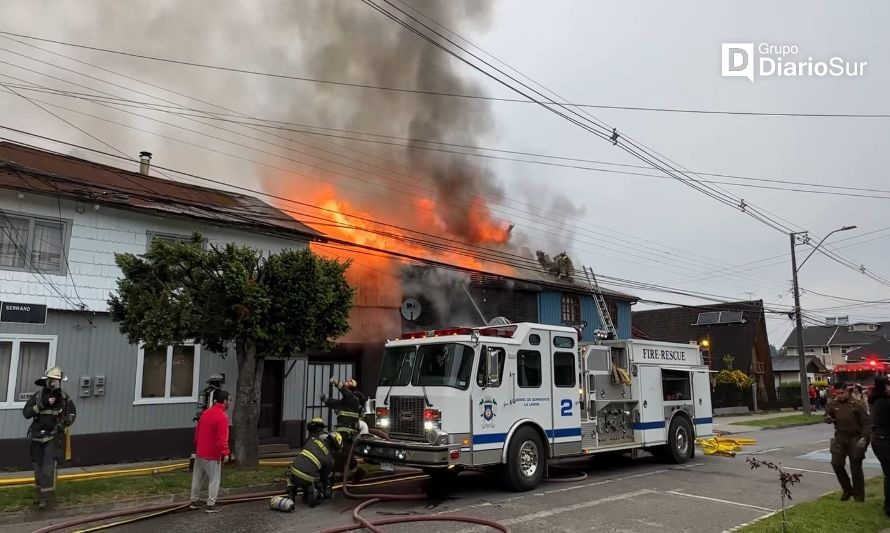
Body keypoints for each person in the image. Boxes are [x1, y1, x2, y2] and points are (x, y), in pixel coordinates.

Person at [22, 367, 76, 510]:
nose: (53, 383)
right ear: (46, 381)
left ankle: (46, 499)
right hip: (36, 437)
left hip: (52, 437)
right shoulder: (37, 396)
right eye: (51, 381)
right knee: (38, 470)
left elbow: (72, 413)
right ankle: (40, 497)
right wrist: (41, 405)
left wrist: (65, 422)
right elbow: (26, 413)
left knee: (47, 469)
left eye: (56, 381)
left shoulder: (64, 398)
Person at [824, 381, 870, 502]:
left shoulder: (857, 404)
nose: (840, 395)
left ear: (847, 391)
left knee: (855, 468)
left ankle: (859, 496)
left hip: (855, 437)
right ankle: (847, 489)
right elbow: (827, 415)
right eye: (837, 393)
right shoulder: (833, 404)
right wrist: (827, 418)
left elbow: (866, 423)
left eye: (842, 393)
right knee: (836, 464)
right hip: (840, 437)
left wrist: (864, 438)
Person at [190, 390, 232, 513]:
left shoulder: (205, 413)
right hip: (212, 455)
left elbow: (197, 433)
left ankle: (194, 500)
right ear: (224, 401)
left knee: (197, 478)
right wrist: (225, 454)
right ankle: (211, 504)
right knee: (214, 479)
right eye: (229, 400)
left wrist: (198, 445)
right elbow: (221, 439)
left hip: (200, 452)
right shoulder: (222, 417)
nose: (230, 402)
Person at [285, 431, 343, 508]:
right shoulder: (329, 459)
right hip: (307, 479)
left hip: (294, 472)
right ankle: (315, 492)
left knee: (293, 473)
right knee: (321, 481)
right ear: (335, 447)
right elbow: (324, 476)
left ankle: (291, 488)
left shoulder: (312, 440)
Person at [869, 376, 890, 516]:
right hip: (885, 441)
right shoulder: (885, 403)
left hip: (879, 441)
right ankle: (888, 507)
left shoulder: (875, 401)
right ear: (885, 387)